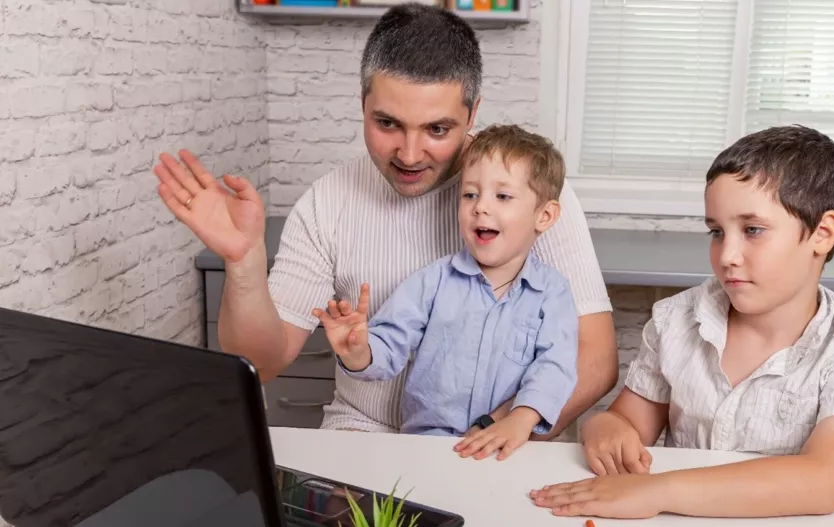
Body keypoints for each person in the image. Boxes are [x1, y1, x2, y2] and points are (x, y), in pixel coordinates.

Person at [151, 3, 617, 438]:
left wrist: (492, 433)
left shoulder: (530, 191)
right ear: (363, 104)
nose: (409, 156)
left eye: (437, 129)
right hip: (363, 433)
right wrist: (245, 262)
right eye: (388, 124)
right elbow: (261, 361)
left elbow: (595, 359)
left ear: (472, 113)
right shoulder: (327, 202)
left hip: (498, 439)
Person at [530, 125, 834, 519]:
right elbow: (627, 421)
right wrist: (604, 428)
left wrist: (657, 491)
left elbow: (824, 481)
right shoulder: (677, 321)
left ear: (822, 233)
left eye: (753, 230)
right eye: (717, 232)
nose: (728, 255)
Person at [312, 125, 579, 460]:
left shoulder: (552, 294)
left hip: (509, 447)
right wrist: (357, 351)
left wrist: (520, 420)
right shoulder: (432, 282)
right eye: (470, 194)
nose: (480, 207)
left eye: (503, 196)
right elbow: (389, 343)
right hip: (429, 447)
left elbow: (555, 367)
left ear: (544, 215)